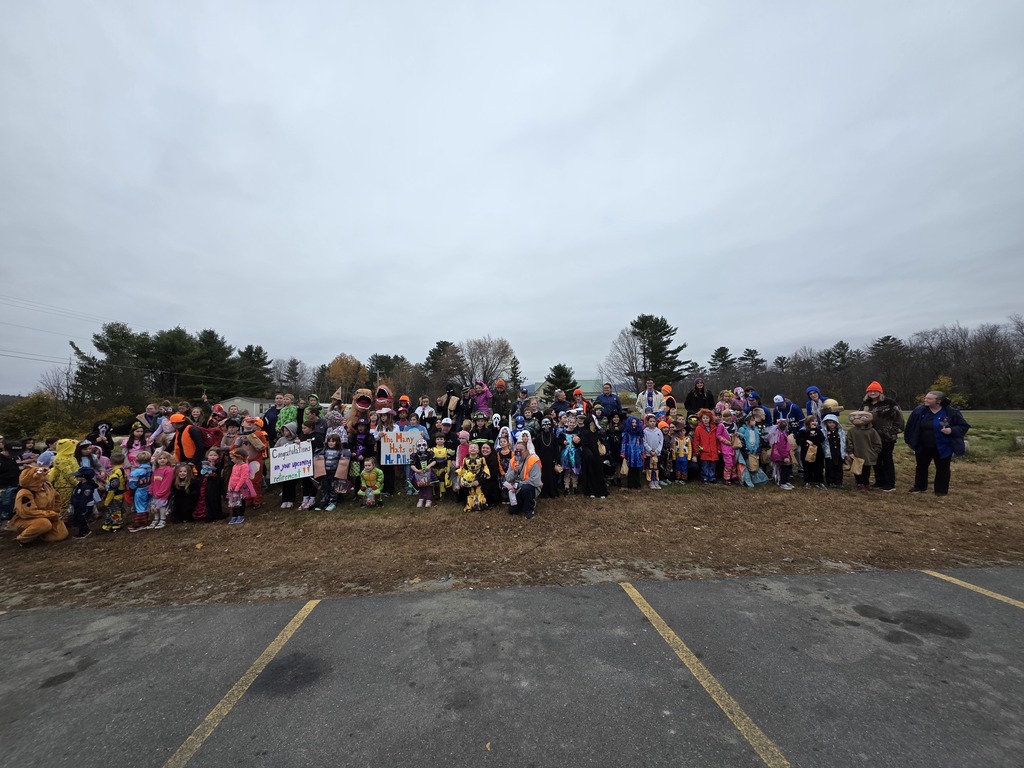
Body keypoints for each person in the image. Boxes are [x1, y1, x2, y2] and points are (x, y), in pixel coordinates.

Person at [904, 391, 970, 497]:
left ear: (938, 401)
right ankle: (920, 486)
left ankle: (941, 490)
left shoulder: (950, 412)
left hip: (943, 446)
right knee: (921, 466)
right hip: (923, 446)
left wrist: (951, 430)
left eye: (929, 399)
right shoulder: (919, 411)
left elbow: (963, 426)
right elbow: (910, 426)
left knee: (942, 468)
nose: (926, 400)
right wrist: (909, 441)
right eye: (926, 398)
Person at [862, 381, 904, 492]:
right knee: (875, 460)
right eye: (870, 391)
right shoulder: (865, 404)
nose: (872, 393)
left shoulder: (890, 403)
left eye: (875, 391)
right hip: (870, 437)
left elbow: (899, 418)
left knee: (887, 460)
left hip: (886, 437)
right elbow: (859, 417)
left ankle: (890, 483)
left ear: (880, 392)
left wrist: (893, 431)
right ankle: (879, 481)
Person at [504, 441, 542, 519]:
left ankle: (529, 510)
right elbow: (507, 478)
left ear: (527, 451)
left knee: (526, 489)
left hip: (531, 487)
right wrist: (514, 472)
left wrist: (518, 485)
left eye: (521, 450)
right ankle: (524, 502)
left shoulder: (533, 460)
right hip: (516, 489)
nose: (518, 452)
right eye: (516, 450)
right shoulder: (513, 460)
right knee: (512, 511)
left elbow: (535, 480)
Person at [847, 411, 882, 491]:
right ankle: (859, 483)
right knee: (857, 470)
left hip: (868, 455)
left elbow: (877, 442)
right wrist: (850, 452)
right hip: (856, 454)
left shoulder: (872, 431)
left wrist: (875, 452)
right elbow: (849, 442)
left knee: (866, 470)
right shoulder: (852, 431)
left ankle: (866, 483)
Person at [226, 449, 256, 524]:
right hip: (233, 488)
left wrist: (237, 488)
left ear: (239, 458)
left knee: (240, 502)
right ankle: (234, 516)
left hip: (240, 488)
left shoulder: (244, 466)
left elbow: (243, 478)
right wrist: (229, 486)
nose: (232, 460)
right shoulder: (234, 466)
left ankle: (240, 515)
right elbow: (231, 476)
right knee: (234, 503)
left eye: (233, 458)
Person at [795, 416, 826, 488]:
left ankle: (819, 481)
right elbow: (798, 440)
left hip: (817, 451)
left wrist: (815, 431)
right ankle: (808, 481)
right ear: (808, 422)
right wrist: (806, 441)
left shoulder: (819, 430)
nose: (815, 422)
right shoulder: (803, 431)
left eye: (816, 421)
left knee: (819, 466)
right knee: (807, 466)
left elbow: (822, 439)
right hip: (806, 451)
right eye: (813, 421)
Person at [126, 451, 154, 531]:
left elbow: (132, 483)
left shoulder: (136, 472)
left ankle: (139, 523)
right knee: (146, 504)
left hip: (140, 489)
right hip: (148, 487)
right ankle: (146, 520)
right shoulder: (150, 468)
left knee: (140, 506)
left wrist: (132, 488)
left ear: (137, 460)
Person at [69, 467, 98, 540]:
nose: (76, 477)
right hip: (78, 506)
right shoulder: (81, 484)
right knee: (79, 518)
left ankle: (85, 531)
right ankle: (82, 530)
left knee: (82, 519)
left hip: (84, 506)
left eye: (78, 476)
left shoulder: (87, 487)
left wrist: (81, 508)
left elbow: (85, 499)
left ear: (84, 477)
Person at [101, 453, 127, 531]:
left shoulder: (115, 474)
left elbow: (113, 489)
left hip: (115, 496)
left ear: (111, 462)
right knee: (111, 510)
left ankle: (117, 524)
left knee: (115, 510)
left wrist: (107, 500)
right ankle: (107, 524)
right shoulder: (121, 470)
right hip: (119, 494)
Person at [620, 416, 646, 490]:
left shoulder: (639, 433)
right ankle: (630, 484)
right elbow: (623, 443)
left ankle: (637, 484)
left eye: (635, 423)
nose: (634, 424)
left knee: (637, 469)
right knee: (630, 469)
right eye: (632, 423)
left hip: (637, 453)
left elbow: (641, 443)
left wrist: (643, 452)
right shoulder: (626, 433)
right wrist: (623, 452)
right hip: (629, 453)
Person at [821, 415, 848, 488]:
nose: (832, 424)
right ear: (826, 423)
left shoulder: (840, 432)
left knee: (839, 468)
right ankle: (830, 481)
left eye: (833, 422)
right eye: (829, 422)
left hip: (839, 452)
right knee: (829, 468)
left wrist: (845, 453)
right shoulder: (824, 432)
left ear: (837, 423)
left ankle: (839, 482)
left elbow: (844, 442)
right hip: (829, 453)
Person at [642, 414, 664, 489]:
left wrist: (657, 451)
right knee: (650, 467)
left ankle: (656, 481)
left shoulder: (659, 431)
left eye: (654, 421)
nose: (652, 423)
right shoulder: (645, 431)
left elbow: (661, 442)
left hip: (657, 453)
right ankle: (651, 480)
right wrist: (650, 450)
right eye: (650, 421)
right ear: (647, 422)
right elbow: (644, 442)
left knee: (656, 467)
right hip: (649, 454)